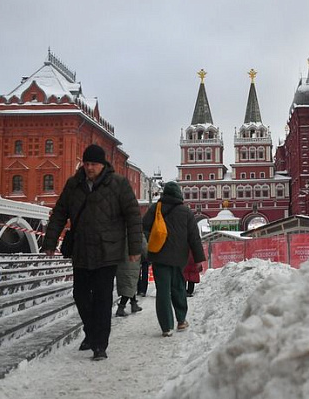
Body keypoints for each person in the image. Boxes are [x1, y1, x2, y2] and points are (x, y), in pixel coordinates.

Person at [43, 144, 142, 361]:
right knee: (80, 295)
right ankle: (91, 331)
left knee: (102, 299)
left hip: (108, 250)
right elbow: (59, 213)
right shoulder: (74, 184)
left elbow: (133, 216)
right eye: (86, 164)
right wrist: (49, 243)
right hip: (81, 249)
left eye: (93, 164)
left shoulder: (118, 184)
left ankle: (100, 345)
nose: (89, 168)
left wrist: (135, 248)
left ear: (102, 164)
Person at [143, 181, 205, 337]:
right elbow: (194, 238)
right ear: (179, 194)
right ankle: (181, 320)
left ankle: (166, 326)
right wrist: (198, 259)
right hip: (179, 258)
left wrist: (150, 243)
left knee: (163, 291)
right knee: (178, 288)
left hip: (159, 256)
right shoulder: (186, 212)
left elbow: (143, 228)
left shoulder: (154, 209)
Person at [115, 249, 143, 316]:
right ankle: (121, 308)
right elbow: (143, 246)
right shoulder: (136, 238)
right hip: (132, 262)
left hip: (121, 262)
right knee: (129, 286)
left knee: (130, 285)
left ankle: (134, 304)